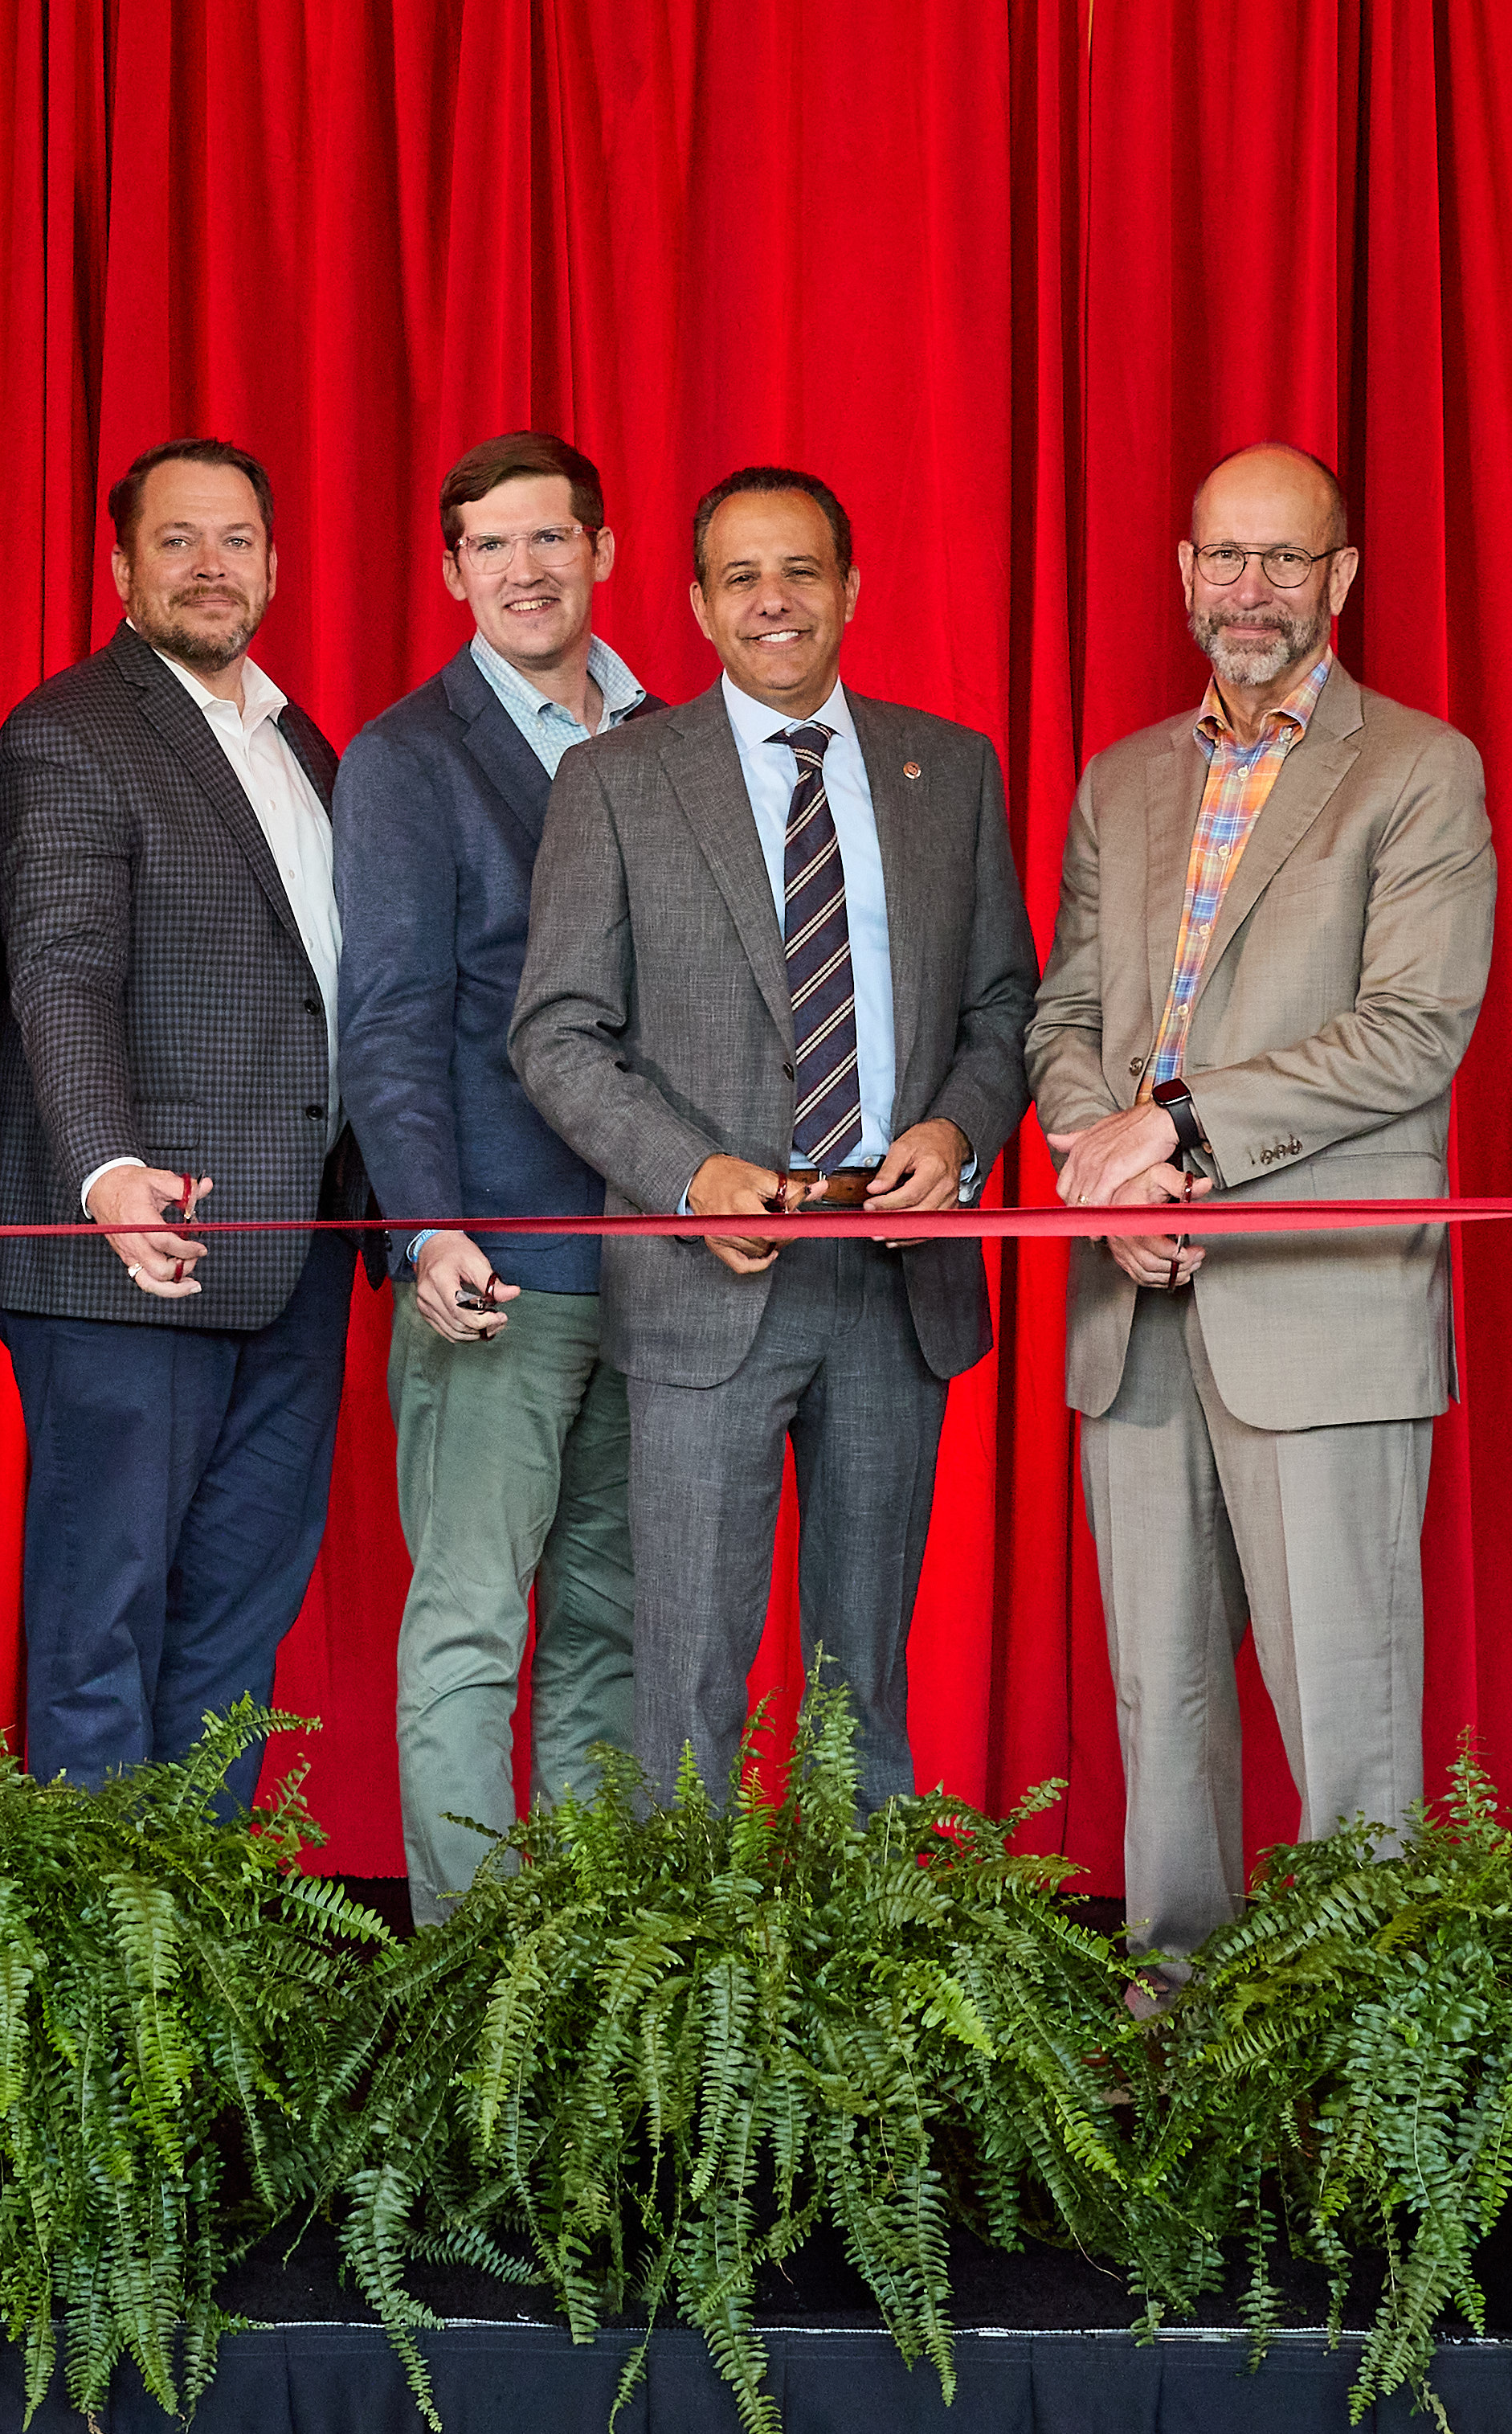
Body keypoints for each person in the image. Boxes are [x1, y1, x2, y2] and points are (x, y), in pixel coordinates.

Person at [1026, 442, 1496, 1961]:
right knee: (1158, 1703)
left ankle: (1371, 2068)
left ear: (1339, 580)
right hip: (1132, 1297)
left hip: (1321, 1307)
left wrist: (1171, 1135)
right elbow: (1063, 1019)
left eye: (1284, 560)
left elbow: (1412, 1028)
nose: (1250, 591)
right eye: (1223, 558)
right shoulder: (1121, 780)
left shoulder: (1417, 768)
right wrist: (1102, 1163)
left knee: (1346, 1707)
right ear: (1183, 573)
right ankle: (1177, 2057)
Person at [511, 466, 1038, 1808]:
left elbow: (1000, 1004)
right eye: (740, 576)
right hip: (704, 1283)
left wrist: (958, 1129)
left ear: (851, 590)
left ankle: (856, 1978)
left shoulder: (948, 769)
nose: (773, 600)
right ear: (695, 603)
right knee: (685, 1670)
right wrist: (689, 1175)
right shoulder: (615, 780)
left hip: (891, 1272)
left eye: (799, 571)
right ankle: (689, 2000)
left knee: (865, 1670)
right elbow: (555, 1033)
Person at [0, 436, 366, 1807]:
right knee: (103, 1639)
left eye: (238, 541)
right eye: (179, 542)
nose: (213, 568)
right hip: (130, 1259)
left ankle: (196, 1967)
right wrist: (107, 1168)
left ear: (272, 558)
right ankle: (102, 1998)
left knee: (231, 1645)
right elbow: (60, 968)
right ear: (122, 565)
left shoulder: (294, 735)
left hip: (297, 1248)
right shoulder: (72, 729)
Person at [335, 432, 646, 1919]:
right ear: (453, 570)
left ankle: (580, 1957)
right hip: (498, 1272)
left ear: (602, 548)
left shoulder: (677, 730)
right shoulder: (407, 756)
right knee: (469, 1624)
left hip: (661, 1263)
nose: (524, 571)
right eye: (490, 546)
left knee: (613, 1623)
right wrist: (424, 1226)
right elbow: (386, 1012)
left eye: (549, 538)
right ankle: (470, 1974)